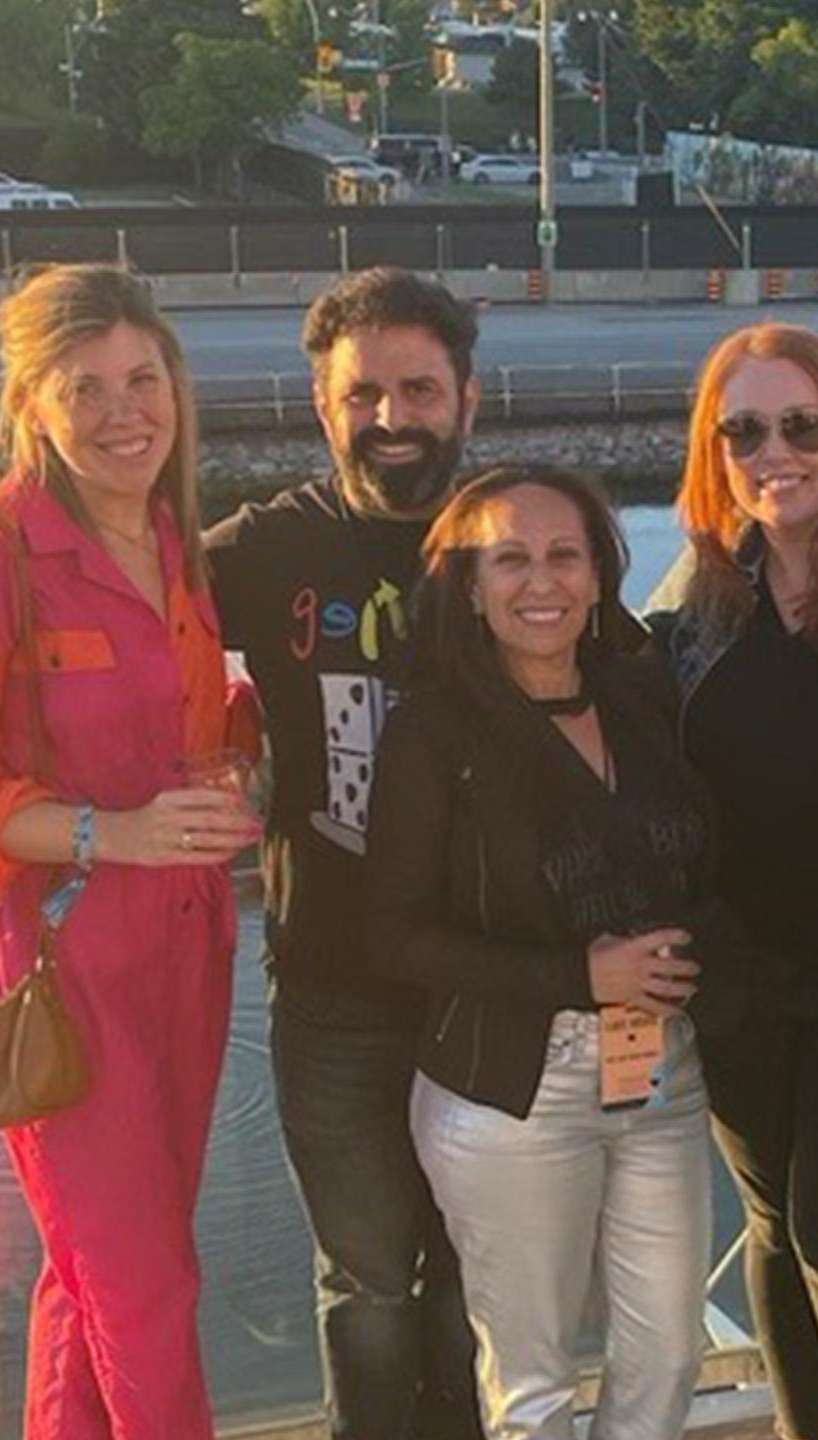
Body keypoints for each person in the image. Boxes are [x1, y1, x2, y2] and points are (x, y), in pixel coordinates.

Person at [0, 263, 255, 1439]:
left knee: (95, 1272)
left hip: (186, 947)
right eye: (83, 387)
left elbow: (194, 719)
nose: (122, 411)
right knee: (143, 1284)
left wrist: (232, 765)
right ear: (32, 404)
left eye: (143, 379)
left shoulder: (172, 539)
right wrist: (117, 832)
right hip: (61, 958)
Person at [370, 467, 745, 1440]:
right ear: (468, 583)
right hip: (510, 1095)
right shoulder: (430, 730)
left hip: (661, 1074)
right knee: (532, 1390)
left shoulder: (639, 695)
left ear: (598, 572)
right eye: (509, 559)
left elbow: (698, 857)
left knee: (667, 1353)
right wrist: (575, 977)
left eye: (563, 555)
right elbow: (393, 933)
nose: (541, 582)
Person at [205, 267, 483, 1440]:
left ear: (469, 396)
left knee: (481, 1282)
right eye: (362, 393)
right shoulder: (261, 552)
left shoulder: (517, 535)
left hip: (498, 988)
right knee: (367, 1285)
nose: (392, 418)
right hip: (332, 990)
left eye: (419, 388)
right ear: (320, 407)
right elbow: (103, 620)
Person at [649, 324, 818, 1440]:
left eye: (803, 425)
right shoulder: (704, 597)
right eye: (745, 431)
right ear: (713, 452)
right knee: (770, 1222)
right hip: (742, 980)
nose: (776, 452)